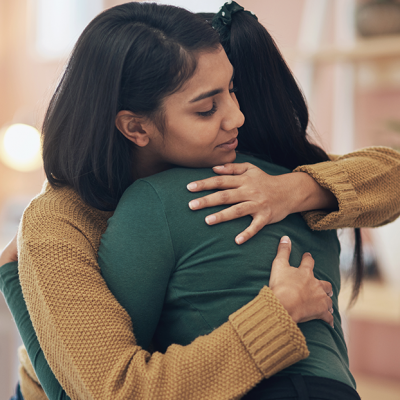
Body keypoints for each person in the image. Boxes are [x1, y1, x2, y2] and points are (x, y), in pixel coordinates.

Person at [0, 2, 399, 399]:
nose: (237, 117)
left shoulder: (234, 173)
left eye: (232, 90)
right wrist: (279, 313)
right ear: (136, 127)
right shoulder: (58, 222)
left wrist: (292, 189)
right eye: (207, 108)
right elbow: (115, 390)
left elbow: (392, 174)